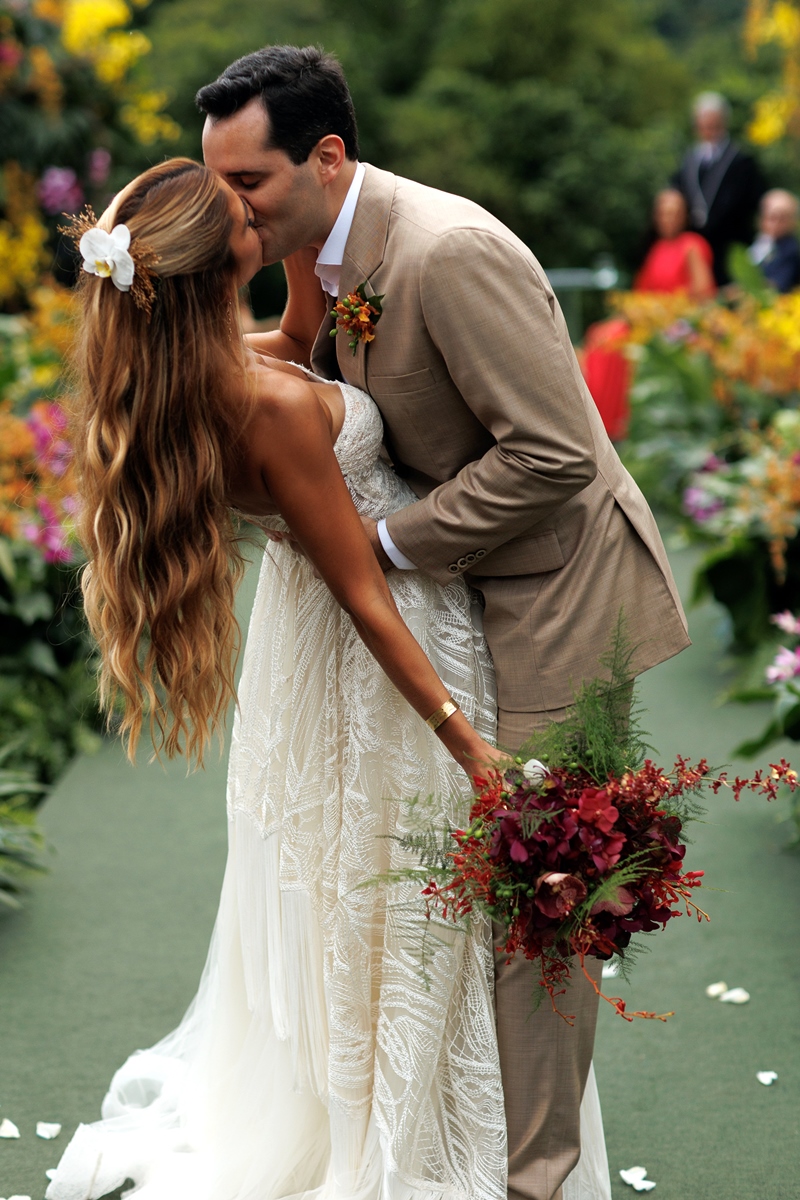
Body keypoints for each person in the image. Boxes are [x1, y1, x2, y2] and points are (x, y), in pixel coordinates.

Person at [193, 45, 690, 1200]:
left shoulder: (449, 252)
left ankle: (539, 1179)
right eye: (219, 187)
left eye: (248, 184)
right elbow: (312, 373)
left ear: (325, 157)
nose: (234, 210)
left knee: (543, 892)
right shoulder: (320, 248)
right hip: (463, 590)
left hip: (559, 598)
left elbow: (555, 455)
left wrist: (375, 543)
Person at [582, 189, 715, 440]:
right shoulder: (657, 248)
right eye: (664, 213)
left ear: (684, 216)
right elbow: (641, 294)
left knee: (613, 340)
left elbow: (703, 296)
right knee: (600, 334)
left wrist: (665, 313)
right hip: (647, 320)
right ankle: (600, 420)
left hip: (675, 325)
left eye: (674, 213)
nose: (669, 218)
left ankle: (612, 425)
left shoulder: (692, 246)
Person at [673, 91, 764, 286]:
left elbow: (753, 202)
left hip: (729, 242)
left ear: (724, 123)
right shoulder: (689, 160)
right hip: (696, 243)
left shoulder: (741, 161)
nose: (709, 131)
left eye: (714, 126)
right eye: (704, 126)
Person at [748, 188, 800, 293]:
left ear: (792, 222)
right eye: (772, 217)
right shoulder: (761, 242)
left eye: (783, 219)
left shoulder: (790, 250)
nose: (776, 224)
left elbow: (778, 284)